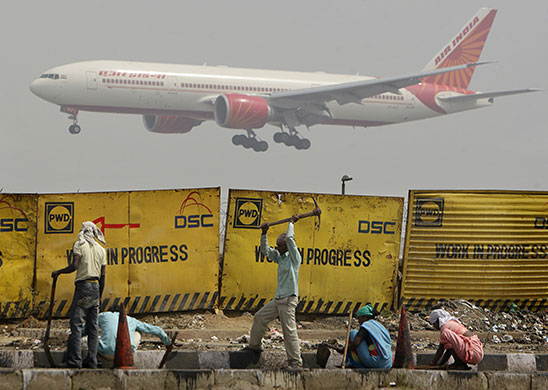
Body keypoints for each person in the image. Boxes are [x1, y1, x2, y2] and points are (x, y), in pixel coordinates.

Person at [243, 214, 303, 368]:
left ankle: (295, 362)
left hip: (288, 300)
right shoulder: (280, 257)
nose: (277, 248)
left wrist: (291, 223)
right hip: (278, 299)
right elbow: (265, 251)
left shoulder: (294, 258)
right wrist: (264, 233)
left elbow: (290, 239)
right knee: (259, 318)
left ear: (287, 246)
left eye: (280, 245)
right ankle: (254, 347)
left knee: (289, 331)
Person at [51, 221, 106, 368]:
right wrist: (99, 295)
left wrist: (59, 272)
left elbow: (74, 266)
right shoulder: (101, 250)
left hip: (83, 286)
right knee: (93, 327)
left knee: (76, 325)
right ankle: (92, 361)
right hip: (96, 286)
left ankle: (75, 361)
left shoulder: (79, 244)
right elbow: (103, 275)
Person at [92, 311, 171, 360]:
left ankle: (94, 361)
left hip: (105, 353)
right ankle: (130, 349)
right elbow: (156, 330)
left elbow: (84, 328)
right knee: (138, 332)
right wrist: (168, 343)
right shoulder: (131, 320)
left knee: (93, 333)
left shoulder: (103, 316)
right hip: (125, 354)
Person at [344, 304, 393, 369]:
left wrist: (345, 349)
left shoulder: (366, 325)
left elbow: (355, 344)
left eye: (359, 318)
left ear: (365, 316)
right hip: (388, 364)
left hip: (376, 362)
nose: (358, 321)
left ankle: (351, 362)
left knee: (353, 333)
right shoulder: (379, 326)